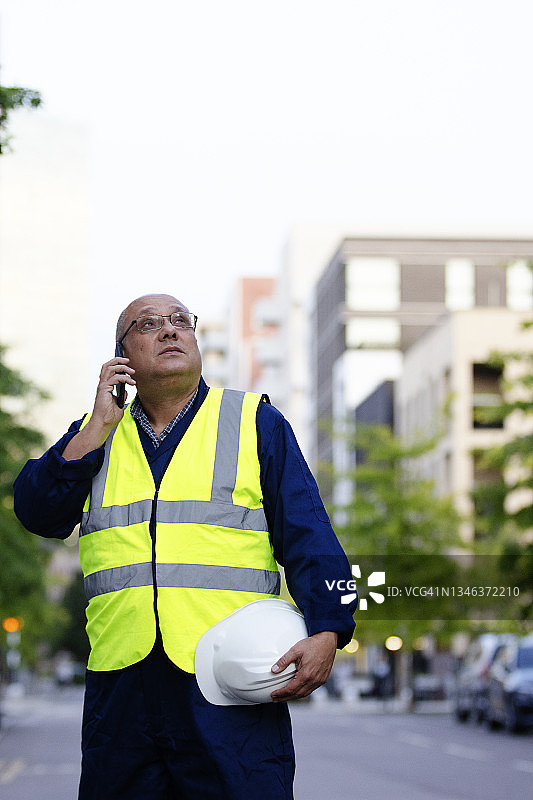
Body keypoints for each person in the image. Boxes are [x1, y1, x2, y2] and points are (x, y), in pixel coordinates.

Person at [14, 293, 357, 800]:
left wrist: (331, 629)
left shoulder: (254, 422)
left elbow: (312, 534)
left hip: (227, 681)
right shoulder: (96, 435)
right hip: (122, 688)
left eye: (181, 321)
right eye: (148, 324)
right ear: (121, 357)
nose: (170, 331)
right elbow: (37, 512)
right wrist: (98, 426)